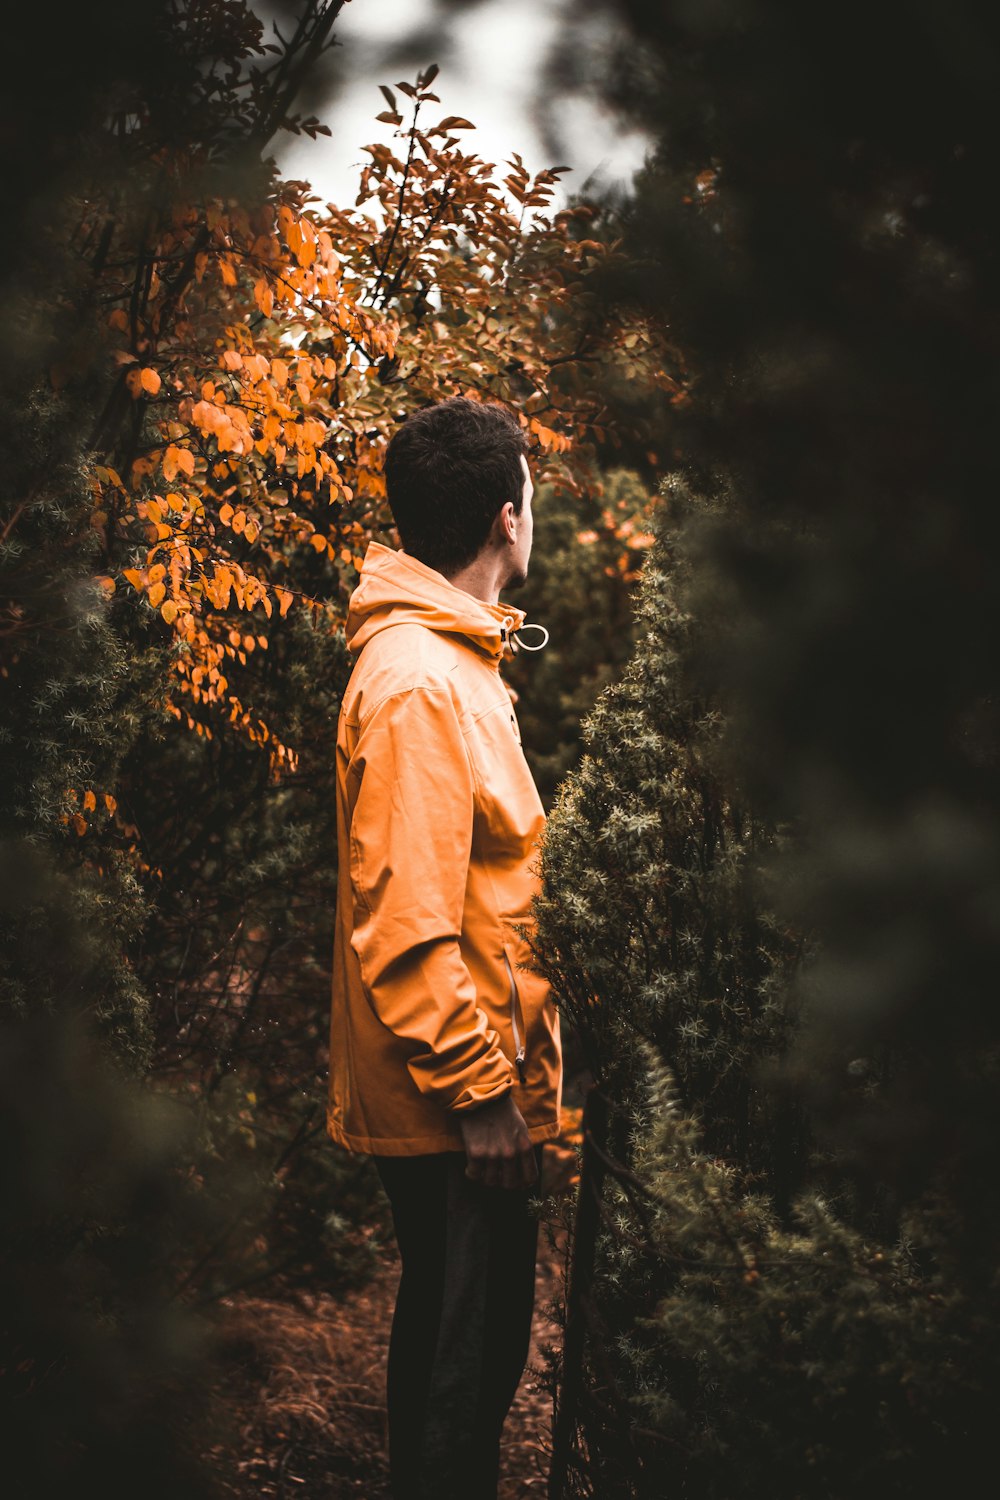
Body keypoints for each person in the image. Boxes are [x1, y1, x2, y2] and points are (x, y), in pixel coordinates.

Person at [326, 394, 563, 1500]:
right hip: (458, 1113)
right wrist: (483, 1097)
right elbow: (409, 922)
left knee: (461, 1360)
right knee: (458, 1385)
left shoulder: (452, 663)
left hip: (465, 1099)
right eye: (533, 487)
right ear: (505, 520)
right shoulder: (422, 682)